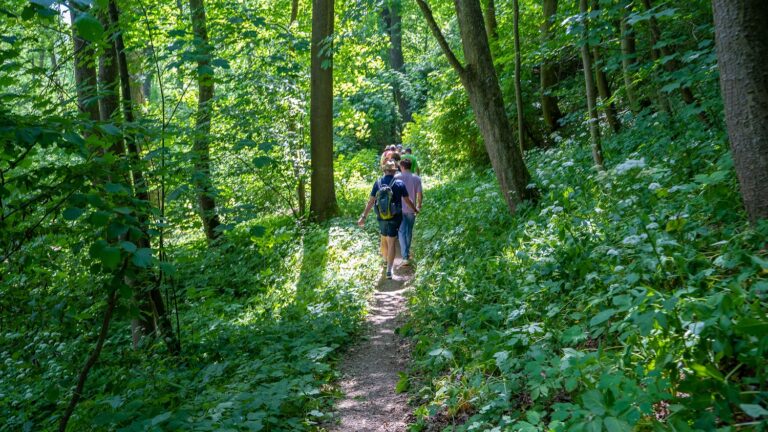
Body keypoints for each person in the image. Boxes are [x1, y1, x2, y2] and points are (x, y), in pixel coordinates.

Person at [358, 160, 419, 279]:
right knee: (391, 242)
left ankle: (385, 261)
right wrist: (415, 209)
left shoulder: (377, 183)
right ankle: (389, 271)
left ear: (384, 170)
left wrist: (363, 216)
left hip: (381, 216)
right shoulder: (399, 183)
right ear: (394, 171)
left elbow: (371, 201)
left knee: (384, 238)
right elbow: (407, 200)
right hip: (395, 217)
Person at [395, 158, 422, 266]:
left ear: (402, 167)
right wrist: (418, 206)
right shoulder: (417, 178)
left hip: (399, 209)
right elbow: (420, 195)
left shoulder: (396, 177)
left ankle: (405, 256)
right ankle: (406, 253)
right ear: (410, 166)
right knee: (409, 231)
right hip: (411, 209)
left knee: (401, 232)